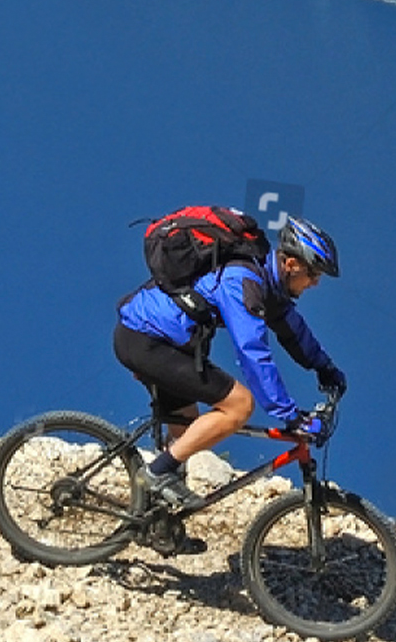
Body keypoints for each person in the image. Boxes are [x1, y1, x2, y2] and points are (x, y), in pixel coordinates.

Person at [113, 215, 347, 506]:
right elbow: (252, 351)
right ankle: (155, 473)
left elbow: (293, 330)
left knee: (188, 434)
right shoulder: (242, 280)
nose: (315, 283)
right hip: (146, 340)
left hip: (164, 344)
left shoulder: (267, 283)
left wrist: (324, 367)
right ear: (291, 264)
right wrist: (290, 416)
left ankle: (154, 518)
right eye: (313, 274)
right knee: (239, 405)